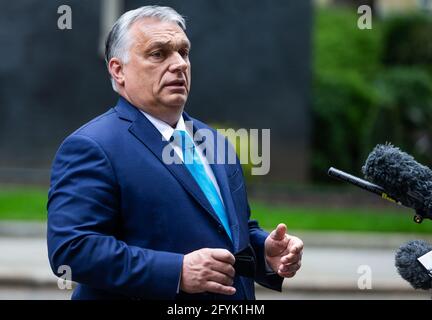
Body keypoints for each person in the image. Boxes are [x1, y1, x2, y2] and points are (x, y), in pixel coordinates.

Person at [47, 5, 303, 300]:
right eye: (158, 54)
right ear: (118, 70)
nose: (179, 64)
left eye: (184, 52)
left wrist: (264, 252)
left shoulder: (214, 140)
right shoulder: (92, 146)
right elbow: (72, 249)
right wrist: (177, 271)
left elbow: (230, 228)